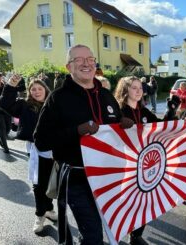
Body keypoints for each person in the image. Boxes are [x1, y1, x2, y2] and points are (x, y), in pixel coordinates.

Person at [34, 44, 133, 244]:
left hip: (110, 176)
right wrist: (75, 131)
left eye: (90, 59)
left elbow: (115, 128)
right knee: (93, 235)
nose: (86, 63)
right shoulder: (58, 98)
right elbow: (41, 141)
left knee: (112, 227)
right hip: (77, 177)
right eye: (78, 59)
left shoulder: (106, 95)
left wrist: (125, 125)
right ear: (68, 67)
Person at [0, 76, 57, 233]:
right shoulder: (24, 105)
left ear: (46, 90)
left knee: (52, 182)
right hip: (36, 151)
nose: (36, 91)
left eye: (39, 88)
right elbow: (4, 105)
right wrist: (10, 86)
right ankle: (39, 215)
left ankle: (49, 209)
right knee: (39, 185)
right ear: (30, 92)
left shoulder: (53, 104)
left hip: (55, 151)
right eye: (33, 89)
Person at [114, 76, 161, 245]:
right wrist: (118, 124)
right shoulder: (118, 110)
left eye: (140, 87)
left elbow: (162, 126)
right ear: (125, 90)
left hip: (143, 166)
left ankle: (136, 234)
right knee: (125, 202)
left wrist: (177, 116)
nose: (139, 91)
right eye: (134, 88)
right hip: (124, 166)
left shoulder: (144, 111)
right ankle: (117, 233)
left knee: (144, 200)